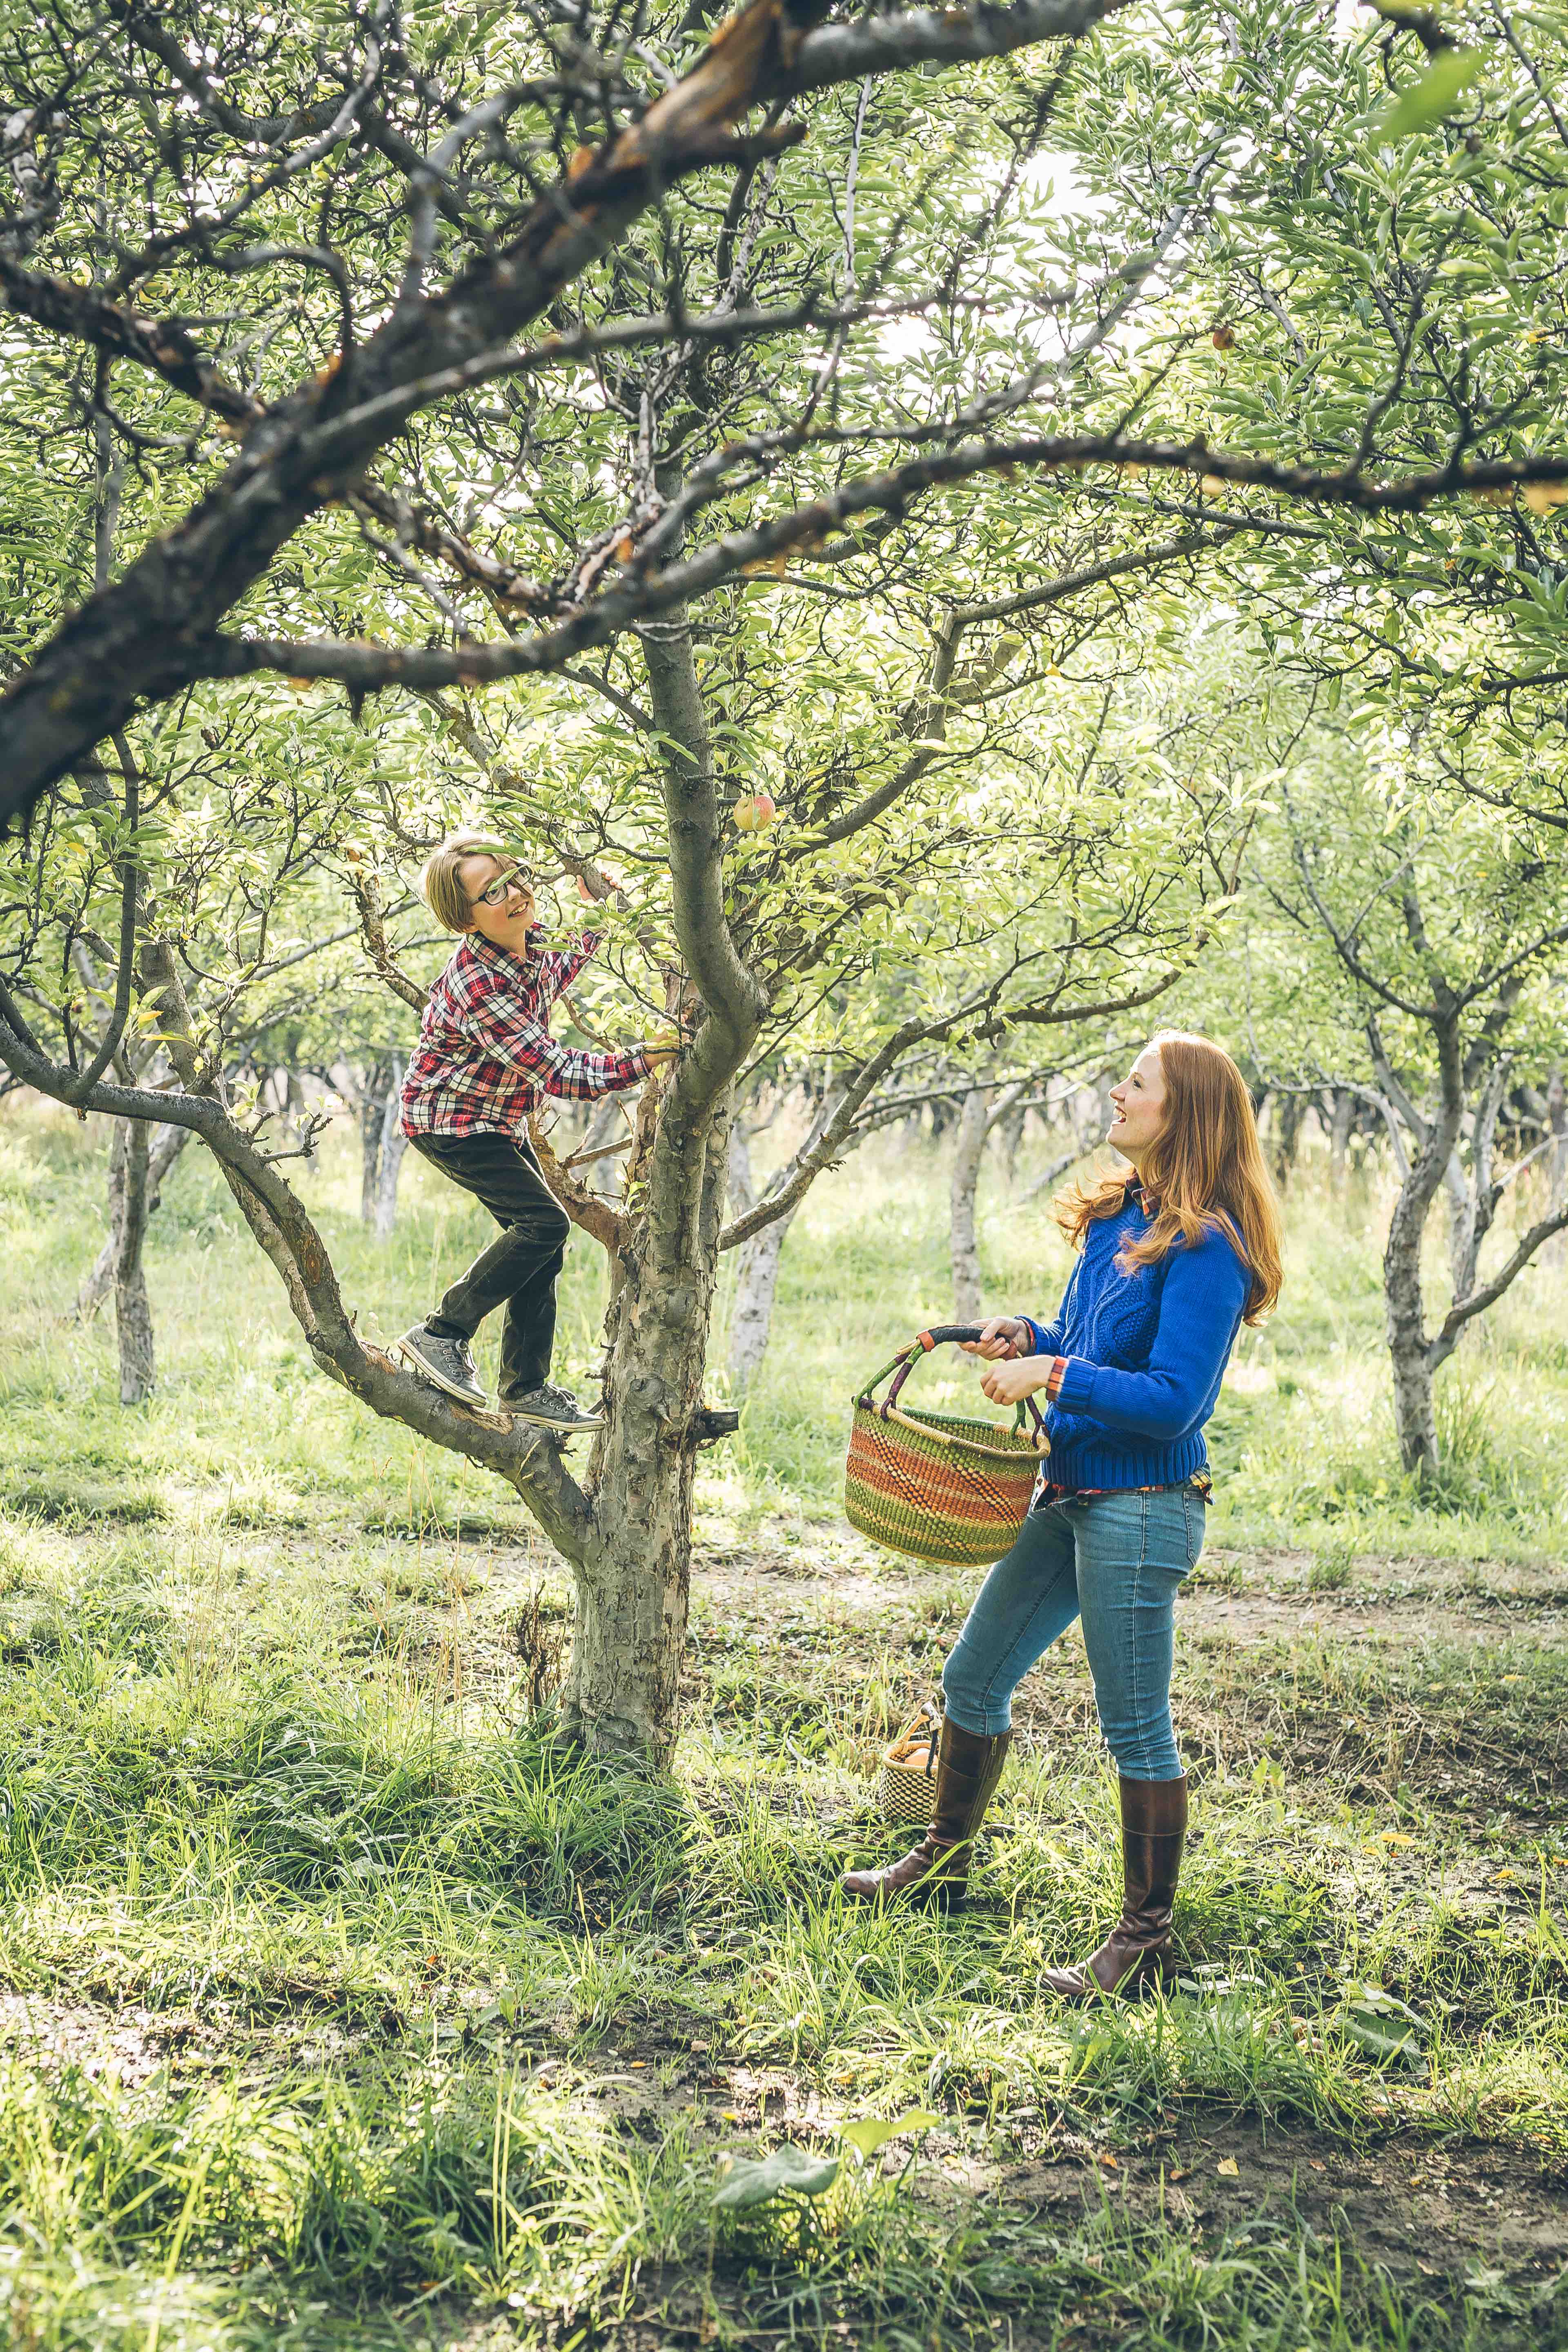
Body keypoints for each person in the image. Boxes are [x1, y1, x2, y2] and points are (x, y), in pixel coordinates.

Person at [843, 1032, 1283, 1998]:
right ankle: (942, 1864)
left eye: (1138, 1084)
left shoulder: (1207, 1247)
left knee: (1135, 1727)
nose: (1116, 1093)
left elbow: (1173, 1400)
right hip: (1068, 1493)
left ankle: (1145, 1938)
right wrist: (1035, 1337)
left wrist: (1053, 1370)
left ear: (1188, 1114)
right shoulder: (1118, 1215)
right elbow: (1092, 1343)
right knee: (972, 1679)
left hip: (1143, 1507)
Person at [395, 831, 675, 1433]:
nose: (515, 894)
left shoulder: (530, 943)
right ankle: (441, 1332)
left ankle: (525, 1387)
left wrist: (605, 910)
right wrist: (644, 1059)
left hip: (494, 1117)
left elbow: (569, 958)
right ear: (464, 919)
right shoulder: (479, 984)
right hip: (452, 1122)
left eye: (515, 877)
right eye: (491, 892)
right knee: (544, 1225)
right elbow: (557, 1071)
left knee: (543, 1248)